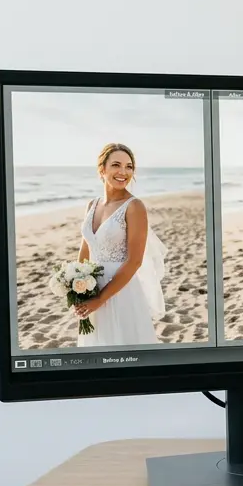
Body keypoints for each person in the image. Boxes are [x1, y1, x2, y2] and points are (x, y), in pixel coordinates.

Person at [74, 143, 166, 346]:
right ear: (102, 169)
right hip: (91, 288)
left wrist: (100, 299)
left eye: (129, 166)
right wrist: (77, 288)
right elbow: (86, 249)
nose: (123, 172)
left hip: (120, 290)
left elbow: (134, 261)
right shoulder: (92, 204)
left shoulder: (134, 207)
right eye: (116, 165)